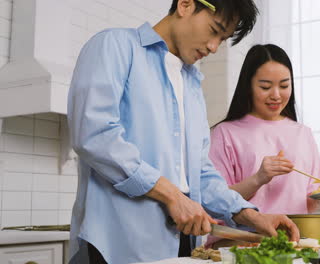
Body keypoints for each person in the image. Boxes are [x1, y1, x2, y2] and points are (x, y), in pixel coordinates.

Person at [67, 1, 300, 263]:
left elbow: (200, 172)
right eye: (214, 30)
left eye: (222, 39)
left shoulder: (191, 83)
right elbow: (96, 135)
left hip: (182, 244)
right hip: (117, 245)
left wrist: (250, 215)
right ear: (186, 4)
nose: (213, 47)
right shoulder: (115, 46)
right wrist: (172, 195)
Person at [207, 44, 320, 248]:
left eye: (284, 85)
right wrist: (258, 178)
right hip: (242, 244)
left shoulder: (302, 133)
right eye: (265, 87)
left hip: (295, 242)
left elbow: (310, 193)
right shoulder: (226, 133)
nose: (276, 95)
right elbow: (216, 201)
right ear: (248, 86)